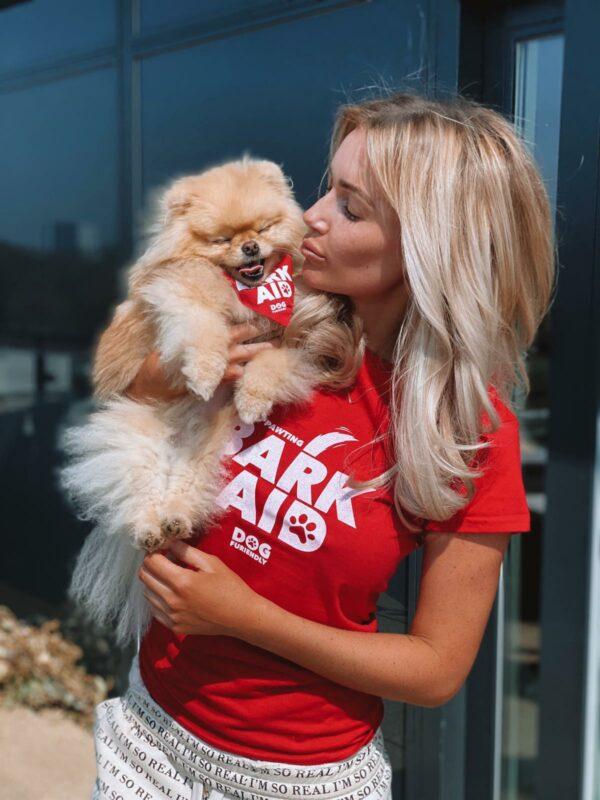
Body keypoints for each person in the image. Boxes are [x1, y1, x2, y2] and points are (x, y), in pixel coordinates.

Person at [90, 90, 555, 800]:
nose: (310, 217)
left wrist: (247, 619)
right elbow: (124, 387)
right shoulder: (267, 305)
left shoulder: (468, 430)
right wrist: (178, 367)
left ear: (430, 246)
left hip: (301, 778)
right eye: (325, 188)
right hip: (148, 739)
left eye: (351, 206)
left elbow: (435, 670)